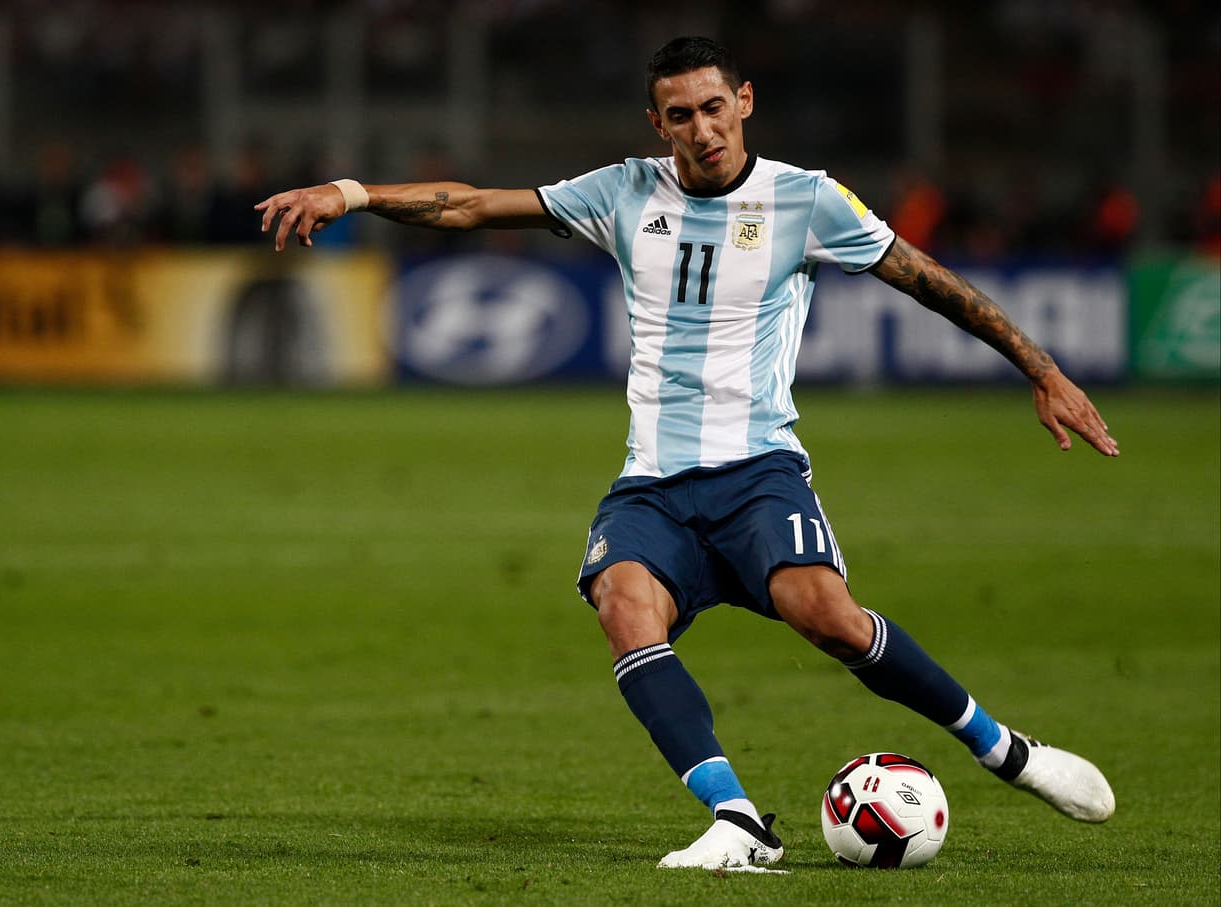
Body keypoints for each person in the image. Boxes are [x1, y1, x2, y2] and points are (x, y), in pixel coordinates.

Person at [255, 36, 1118, 871]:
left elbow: (931, 281)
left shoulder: (807, 200)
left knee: (828, 615)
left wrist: (1042, 370)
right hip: (653, 486)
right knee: (624, 606)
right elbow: (473, 204)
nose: (702, 128)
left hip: (758, 474)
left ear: (744, 103)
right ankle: (738, 818)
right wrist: (353, 191)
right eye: (680, 115)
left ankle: (1005, 750)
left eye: (714, 107)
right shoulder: (624, 192)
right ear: (656, 123)